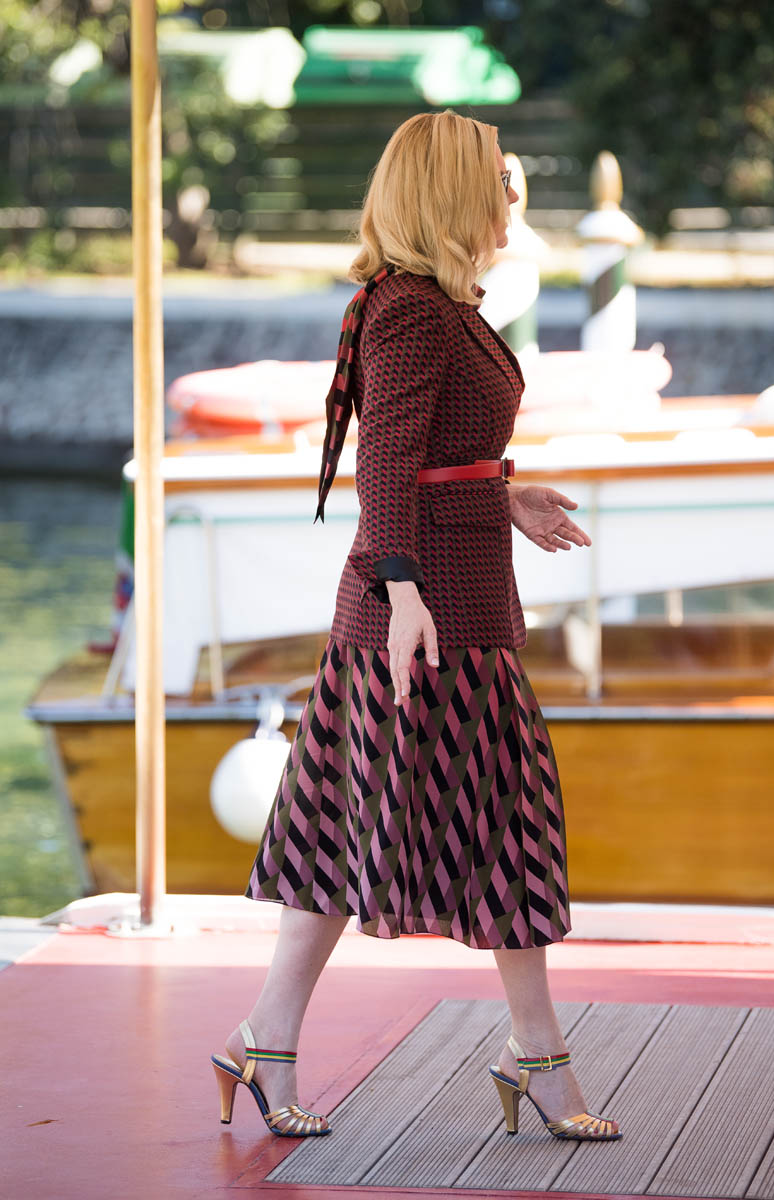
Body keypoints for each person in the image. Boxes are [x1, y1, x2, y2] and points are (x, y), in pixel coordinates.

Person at [211, 111, 621, 1143]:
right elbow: (383, 468)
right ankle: (536, 1054)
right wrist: (402, 596)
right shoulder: (412, 312)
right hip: (428, 621)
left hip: (436, 607)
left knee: (332, 826)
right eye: (499, 178)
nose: (513, 193)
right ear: (452, 193)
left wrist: (505, 497)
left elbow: (434, 456)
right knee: (510, 824)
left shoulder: (439, 305)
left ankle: (265, 1039)